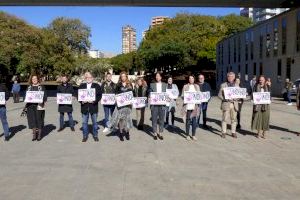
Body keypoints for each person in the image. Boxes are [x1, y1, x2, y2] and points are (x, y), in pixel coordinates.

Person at [109, 72, 133, 141]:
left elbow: (132, 93)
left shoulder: (130, 84)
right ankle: (121, 133)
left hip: (128, 105)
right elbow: (115, 94)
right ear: (120, 77)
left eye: (124, 76)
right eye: (122, 76)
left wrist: (131, 100)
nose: (123, 78)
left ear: (126, 77)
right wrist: (116, 99)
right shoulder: (118, 85)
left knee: (127, 119)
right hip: (120, 105)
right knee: (121, 120)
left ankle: (127, 132)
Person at [78, 72, 102, 142]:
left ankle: (95, 135)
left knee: (95, 122)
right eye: (87, 77)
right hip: (84, 107)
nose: (88, 79)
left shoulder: (96, 86)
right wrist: (82, 101)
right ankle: (85, 136)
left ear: (92, 78)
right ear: (85, 78)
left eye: (89, 77)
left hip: (93, 107)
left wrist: (94, 101)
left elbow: (99, 96)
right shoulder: (82, 86)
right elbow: (78, 95)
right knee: (84, 123)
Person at [25, 74, 47, 141]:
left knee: (39, 120)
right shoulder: (29, 87)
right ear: (31, 80)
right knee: (32, 120)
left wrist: (42, 100)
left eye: (35, 78)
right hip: (30, 106)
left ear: (38, 79)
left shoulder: (41, 87)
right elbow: (26, 96)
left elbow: (45, 97)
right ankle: (34, 134)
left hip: (39, 106)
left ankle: (39, 135)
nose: (34, 80)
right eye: (33, 79)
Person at [218, 72, 239, 138]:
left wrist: (237, 98)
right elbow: (219, 95)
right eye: (229, 76)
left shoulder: (237, 85)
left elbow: (239, 95)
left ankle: (233, 132)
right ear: (227, 77)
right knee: (224, 119)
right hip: (226, 103)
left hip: (234, 104)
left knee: (234, 119)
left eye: (232, 76)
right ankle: (224, 132)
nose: (230, 78)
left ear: (234, 77)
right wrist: (225, 99)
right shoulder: (223, 85)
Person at [182, 75, 200, 140]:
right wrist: (185, 97)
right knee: (188, 120)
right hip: (188, 106)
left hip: (194, 106)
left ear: (194, 79)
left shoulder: (197, 86)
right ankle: (187, 135)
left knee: (194, 121)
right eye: (189, 78)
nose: (191, 79)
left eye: (192, 78)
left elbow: (199, 95)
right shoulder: (185, 86)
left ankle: (193, 135)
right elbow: (182, 95)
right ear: (188, 79)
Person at [149, 72, 167, 140]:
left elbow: (167, 94)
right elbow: (150, 92)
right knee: (154, 119)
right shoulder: (152, 84)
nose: (157, 77)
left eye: (159, 76)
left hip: (162, 105)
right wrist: (149, 97)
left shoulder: (165, 85)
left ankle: (160, 133)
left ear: (161, 77)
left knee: (161, 119)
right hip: (154, 105)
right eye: (156, 76)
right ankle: (155, 133)